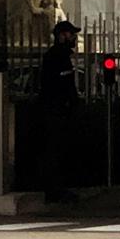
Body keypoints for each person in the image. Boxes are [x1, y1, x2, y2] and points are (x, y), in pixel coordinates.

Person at [37, 17, 82, 206]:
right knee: (54, 151)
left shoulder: (62, 56)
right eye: (72, 34)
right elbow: (60, 86)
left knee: (60, 150)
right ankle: (54, 190)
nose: (74, 38)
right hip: (55, 111)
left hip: (59, 110)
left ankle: (59, 188)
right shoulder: (56, 57)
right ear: (63, 36)